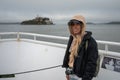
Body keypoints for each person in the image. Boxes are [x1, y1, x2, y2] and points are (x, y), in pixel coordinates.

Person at [62, 15, 98, 80]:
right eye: (72, 24)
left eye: (77, 24)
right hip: (71, 74)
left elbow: (91, 64)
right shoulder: (73, 39)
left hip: (81, 77)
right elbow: (69, 57)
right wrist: (67, 73)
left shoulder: (90, 42)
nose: (74, 26)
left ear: (82, 26)